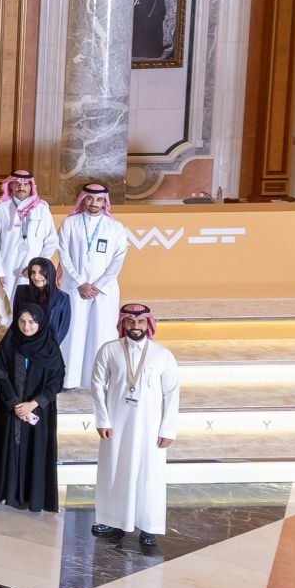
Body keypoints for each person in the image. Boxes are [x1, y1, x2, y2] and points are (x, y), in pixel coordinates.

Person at [90, 305, 180, 549]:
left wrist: (167, 429)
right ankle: (112, 520)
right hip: (116, 424)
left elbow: (172, 393)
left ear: (148, 324)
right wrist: (102, 420)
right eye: (130, 321)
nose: (135, 326)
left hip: (150, 428)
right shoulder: (109, 350)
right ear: (123, 323)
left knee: (149, 474)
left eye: (140, 322)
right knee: (114, 469)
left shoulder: (163, 355)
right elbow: (96, 384)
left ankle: (148, 525)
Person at [58, 184, 131, 390]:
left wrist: (97, 285)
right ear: (83, 199)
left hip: (104, 290)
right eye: (90, 199)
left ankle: (98, 380)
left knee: (101, 333)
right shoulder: (70, 223)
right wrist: (80, 283)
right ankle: (69, 379)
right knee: (73, 333)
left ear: (105, 202)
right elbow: (63, 254)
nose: (94, 203)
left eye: (99, 200)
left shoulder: (115, 227)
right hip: (75, 288)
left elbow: (118, 259)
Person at [0, 303, 63, 514]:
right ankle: (9, 492)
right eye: (22, 321)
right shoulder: (9, 342)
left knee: (35, 449)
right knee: (10, 447)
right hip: (11, 408)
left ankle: (32, 496)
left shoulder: (50, 348)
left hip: (38, 409)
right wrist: (15, 403)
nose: (26, 326)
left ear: (40, 323)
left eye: (32, 322)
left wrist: (33, 404)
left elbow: (56, 379)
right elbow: (0, 373)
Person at [0, 171, 55, 297]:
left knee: (29, 304)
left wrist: (38, 266)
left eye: (26, 184)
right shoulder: (2, 208)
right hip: (6, 267)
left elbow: (51, 241)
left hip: (33, 269)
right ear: (11, 186)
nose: (21, 187)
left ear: (31, 186)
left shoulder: (42, 209)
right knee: (5, 304)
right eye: (17, 184)